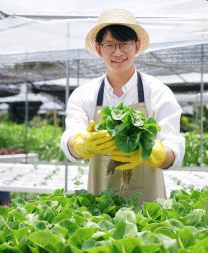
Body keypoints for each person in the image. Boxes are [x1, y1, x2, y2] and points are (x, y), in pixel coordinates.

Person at [60, 8, 185, 202]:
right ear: (99, 48)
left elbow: (175, 151)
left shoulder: (158, 92)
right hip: (100, 204)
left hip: (148, 204)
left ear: (136, 46)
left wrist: (152, 152)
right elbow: (69, 141)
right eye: (110, 45)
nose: (117, 52)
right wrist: (81, 143)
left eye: (124, 44)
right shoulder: (84, 94)